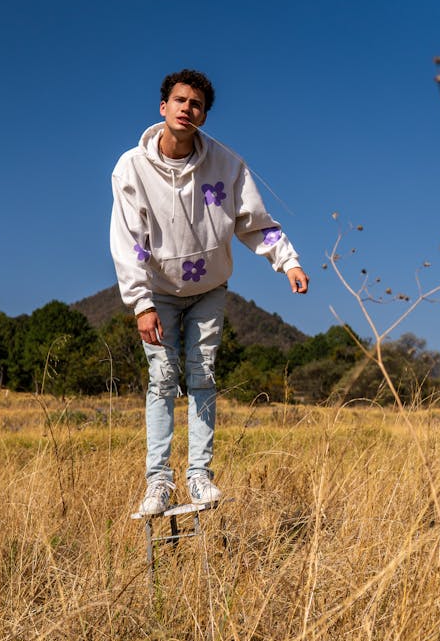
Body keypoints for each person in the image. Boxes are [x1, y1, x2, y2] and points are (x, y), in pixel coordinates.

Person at [110, 69, 309, 515]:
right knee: (162, 379)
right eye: (179, 101)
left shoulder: (226, 164)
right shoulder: (132, 168)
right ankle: (158, 482)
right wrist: (141, 303)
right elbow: (128, 240)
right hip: (158, 290)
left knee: (202, 377)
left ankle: (199, 476)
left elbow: (254, 222)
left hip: (209, 289)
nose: (187, 108)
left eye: (196, 104)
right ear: (163, 107)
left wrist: (288, 262)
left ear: (204, 115)